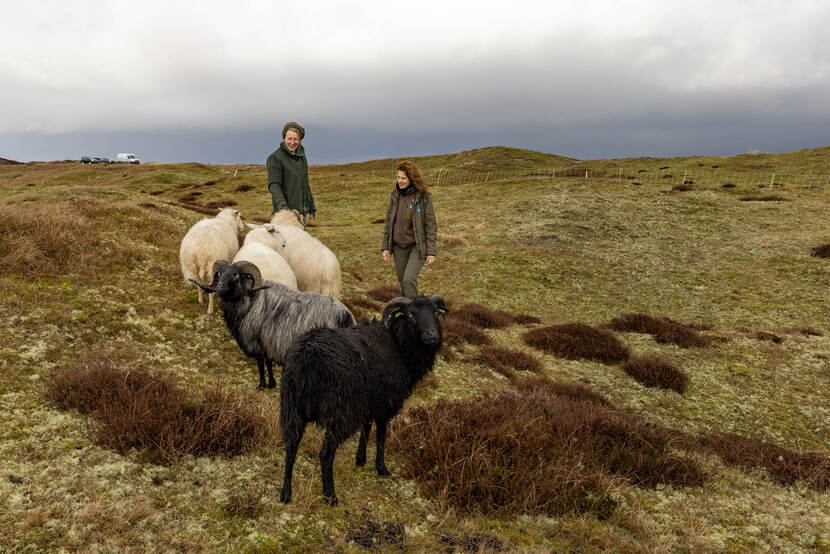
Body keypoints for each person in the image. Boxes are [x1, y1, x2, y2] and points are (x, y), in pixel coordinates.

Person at [381, 160, 437, 297]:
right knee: (402, 282)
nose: (400, 181)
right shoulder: (394, 196)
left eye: (403, 178)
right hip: (399, 247)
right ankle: (408, 312)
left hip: (416, 247)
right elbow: (388, 222)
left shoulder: (423, 197)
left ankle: (415, 314)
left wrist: (431, 251)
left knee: (408, 280)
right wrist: (385, 247)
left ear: (411, 179)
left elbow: (431, 224)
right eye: (398, 177)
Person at [267, 121, 315, 222]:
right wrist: (283, 208)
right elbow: (274, 185)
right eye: (289, 139)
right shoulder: (275, 158)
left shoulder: (302, 158)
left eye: (295, 139)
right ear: (284, 138)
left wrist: (311, 207)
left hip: (301, 214)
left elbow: (305, 184)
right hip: (285, 214)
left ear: (300, 140)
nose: (292, 142)